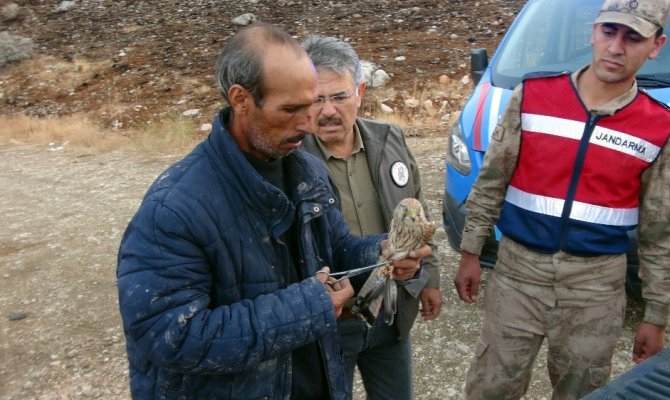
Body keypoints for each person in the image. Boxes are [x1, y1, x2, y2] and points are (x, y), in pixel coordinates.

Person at [116, 23, 430, 400]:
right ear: (241, 100)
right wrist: (309, 307)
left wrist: (380, 254)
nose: (308, 122)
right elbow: (170, 337)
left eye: (310, 102)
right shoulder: (174, 210)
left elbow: (335, 248)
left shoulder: (306, 171)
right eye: (291, 109)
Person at [454, 0, 670, 399]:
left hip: (597, 288)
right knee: (490, 388)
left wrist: (655, 315)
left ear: (656, 46)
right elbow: (491, 181)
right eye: (609, 32)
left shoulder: (659, 125)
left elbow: (658, 230)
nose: (616, 48)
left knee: (582, 392)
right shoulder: (534, 95)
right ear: (593, 32)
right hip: (518, 275)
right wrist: (470, 250)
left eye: (633, 38)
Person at [301, 35, 443, 400]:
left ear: (360, 91)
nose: (328, 110)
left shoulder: (390, 139)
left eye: (339, 96)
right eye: (317, 98)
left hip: (390, 310)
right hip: (329, 323)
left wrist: (430, 279)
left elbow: (418, 207)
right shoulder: (290, 161)